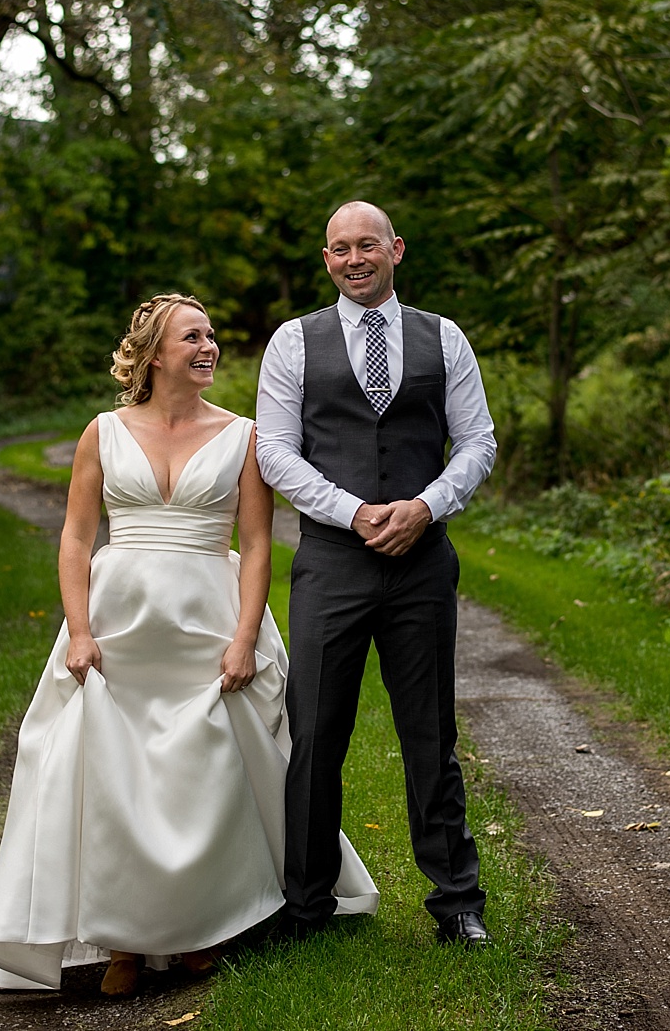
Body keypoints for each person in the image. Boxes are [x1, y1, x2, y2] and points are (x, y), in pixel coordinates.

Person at [0, 294, 377, 997]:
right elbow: (75, 536)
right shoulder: (102, 431)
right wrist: (78, 629)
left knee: (204, 775)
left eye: (212, 335)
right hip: (120, 623)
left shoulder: (245, 435)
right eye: (194, 336)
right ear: (155, 354)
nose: (209, 346)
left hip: (207, 620)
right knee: (114, 779)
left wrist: (244, 638)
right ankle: (124, 942)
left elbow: (255, 545)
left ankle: (201, 932)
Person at [256, 202, 498, 946]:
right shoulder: (293, 342)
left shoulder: (442, 337)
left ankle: (457, 902)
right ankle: (305, 906)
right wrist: (354, 512)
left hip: (423, 563)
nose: (353, 259)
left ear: (395, 248)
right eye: (338, 249)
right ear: (325, 259)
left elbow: (477, 441)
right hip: (331, 562)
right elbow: (274, 451)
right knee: (315, 733)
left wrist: (424, 507)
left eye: (366, 245)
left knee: (429, 732)